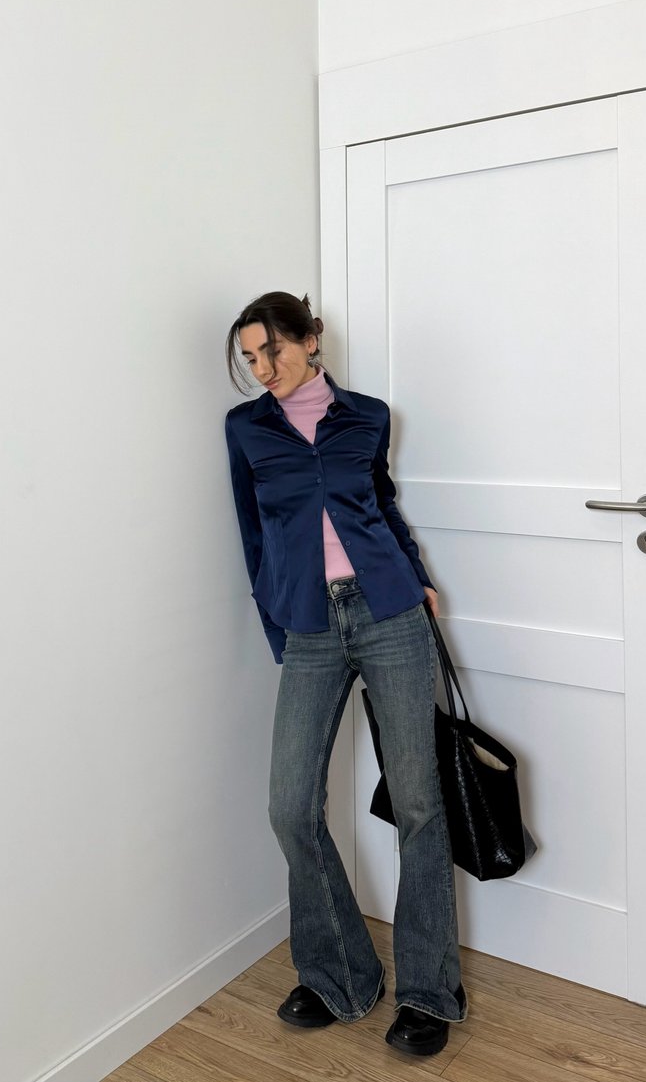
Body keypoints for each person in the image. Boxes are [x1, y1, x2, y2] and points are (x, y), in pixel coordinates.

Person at [224, 291, 466, 1056]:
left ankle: (430, 989)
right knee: (290, 804)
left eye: (273, 351)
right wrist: (282, 627)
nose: (263, 369)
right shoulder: (246, 430)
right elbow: (253, 538)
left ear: (310, 339)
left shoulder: (368, 413)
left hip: (391, 610)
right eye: (250, 359)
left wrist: (417, 576)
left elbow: (381, 503)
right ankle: (339, 976)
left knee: (420, 802)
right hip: (309, 624)